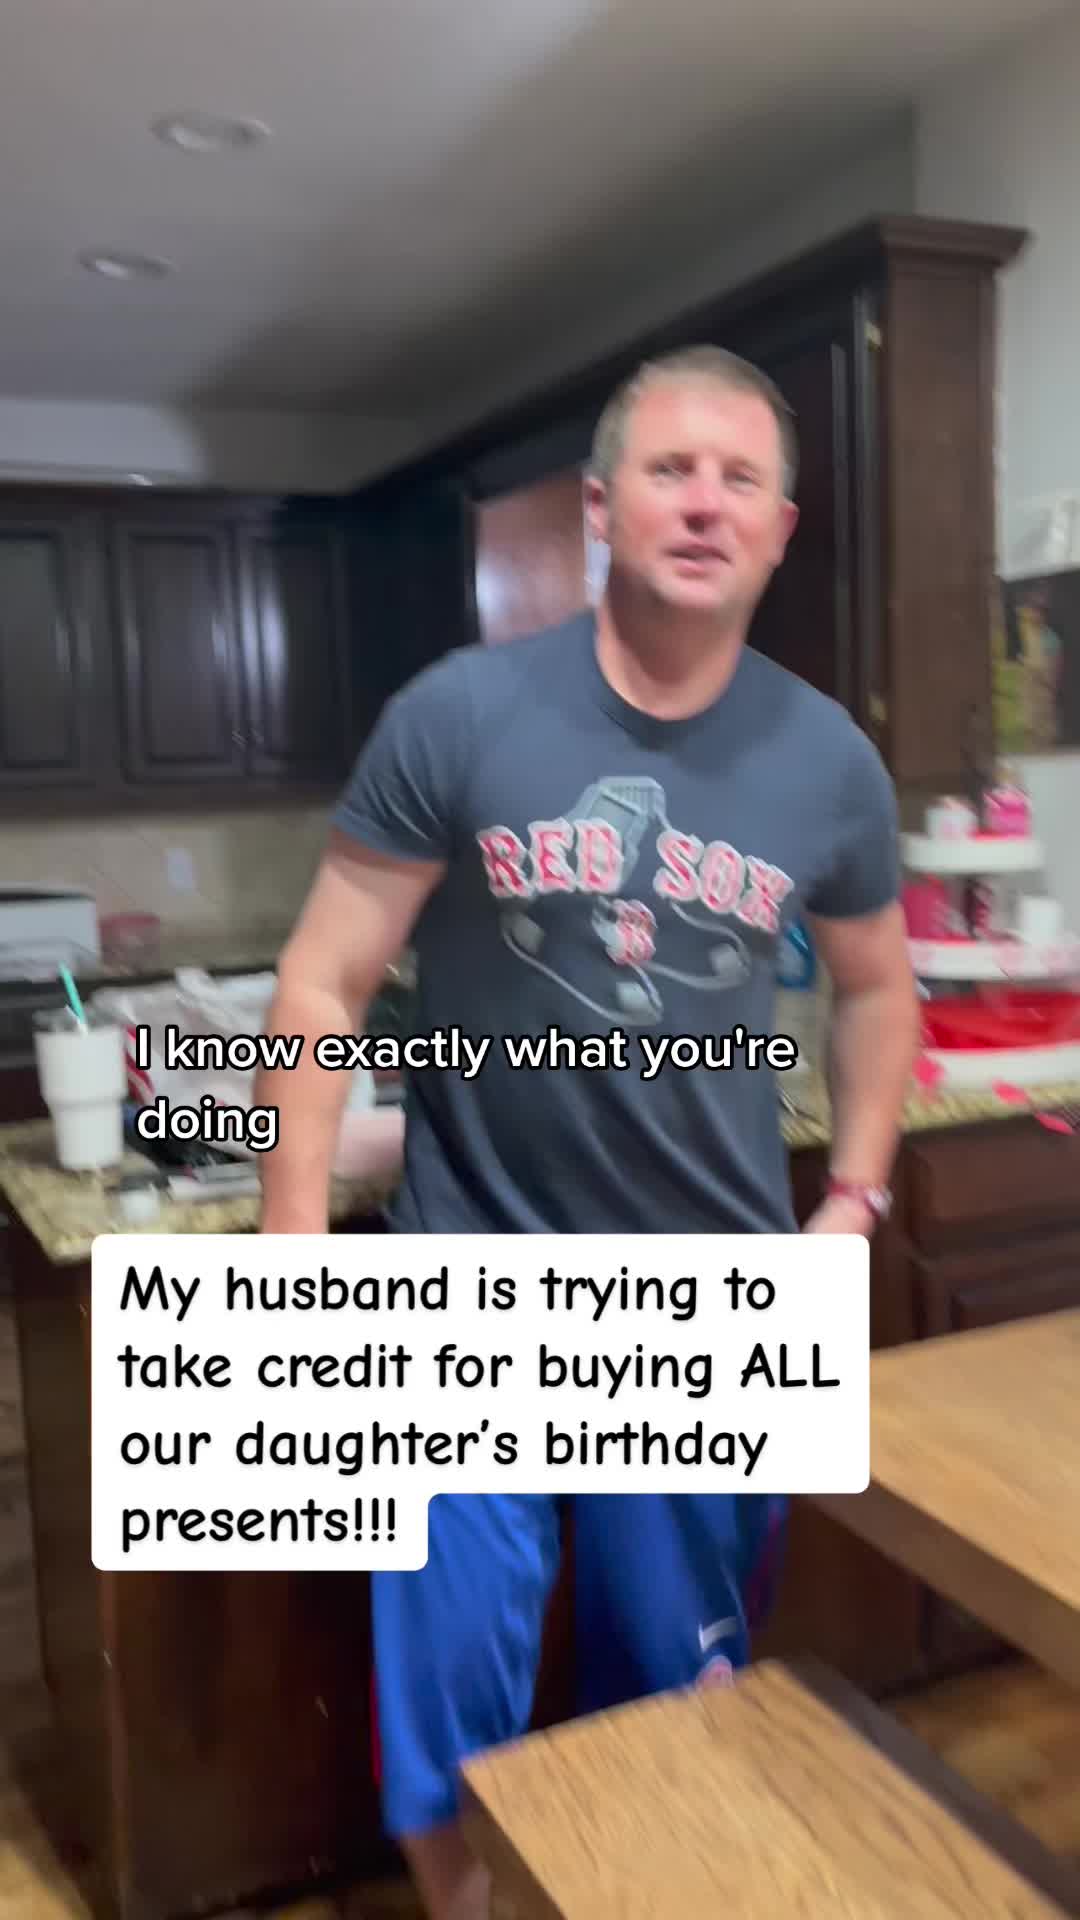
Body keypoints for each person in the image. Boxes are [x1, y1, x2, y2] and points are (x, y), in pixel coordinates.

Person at [257, 344, 921, 1920]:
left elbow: (879, 988)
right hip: (465, 1287)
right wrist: (293, 1247)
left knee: (678, 1689)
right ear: (603, 508)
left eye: (739, 479)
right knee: (450, 1695)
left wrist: (856, 1197)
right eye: (671, 470)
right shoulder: (459, 714)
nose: (704, 503)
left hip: (707, 1303)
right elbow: (323, 977)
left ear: (780, 528)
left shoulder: (829, 760)